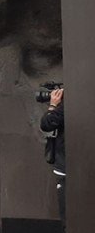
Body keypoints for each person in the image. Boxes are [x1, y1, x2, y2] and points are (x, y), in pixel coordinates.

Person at [40, 88, 65, 225]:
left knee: (66, 204)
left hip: (65, 167)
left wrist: (53, 105)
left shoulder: (64, 108)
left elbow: (47, 124)